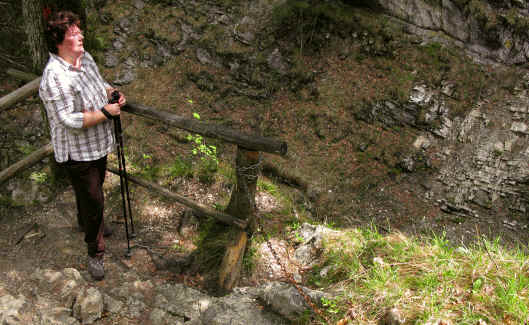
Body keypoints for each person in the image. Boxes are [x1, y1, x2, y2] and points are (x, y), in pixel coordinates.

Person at [39, 10, 126, 281]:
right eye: (74, 33)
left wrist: (112, 93)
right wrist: (106, 112)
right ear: (59, 39)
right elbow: (67, 119)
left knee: (93, 192)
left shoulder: (85, 58)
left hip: (98, 143)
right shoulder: (54, 76)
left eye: (79, 31)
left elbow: (99, 84)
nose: (81, 35)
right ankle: (95, 251)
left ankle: (89, 220)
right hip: (77, 151)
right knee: (94, 198)